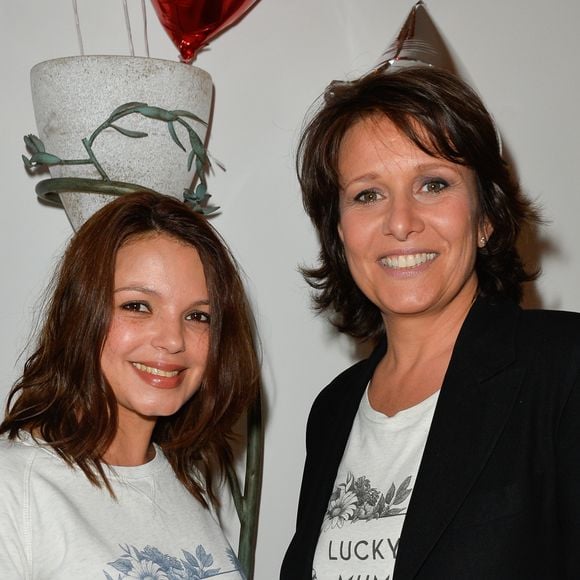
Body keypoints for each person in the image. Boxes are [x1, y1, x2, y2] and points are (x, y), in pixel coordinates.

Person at [281, 66, 580, 579]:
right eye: (367, 194)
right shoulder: (332, 411)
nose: (400, 222)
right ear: (339, 231)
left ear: (486, 216)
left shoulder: (564, 366)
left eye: (433, 184)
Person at [0, 191, 260, 579]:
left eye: (197, 315)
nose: (173, 340)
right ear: (81, 314)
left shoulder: (186, 489)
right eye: (137, 306)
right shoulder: (14, 488)